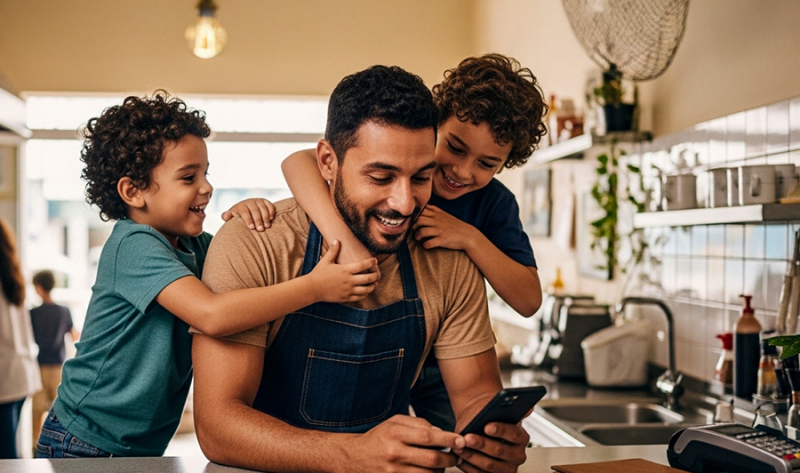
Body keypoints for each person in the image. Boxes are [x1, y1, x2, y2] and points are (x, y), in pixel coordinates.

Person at [193, 65, 529, 473]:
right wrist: (351, 455)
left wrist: (490, 442)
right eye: (381, 176)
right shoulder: (256, 243)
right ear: (328, 162)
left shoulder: (451, 261)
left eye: (421, 177)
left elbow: (477, 395)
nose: (405, 203)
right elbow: (217, 426)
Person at [35, 92, 379, 459]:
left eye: (205, 173)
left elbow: (248, 275)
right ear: (133, 191)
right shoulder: (131, 245)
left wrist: (245, 221)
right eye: (188, 177)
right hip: (81, 439)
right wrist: (315, 287)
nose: (207, 187)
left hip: (137, 446)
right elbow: (212, 314)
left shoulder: (194, 245)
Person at [0, 217, 41, 459]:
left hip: (5, 378)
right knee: (8, 451)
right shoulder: (13, 277)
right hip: (20, 375)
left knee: (5, 455)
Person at [29, 270, 80, 450]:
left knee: (36, 412)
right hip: (60, 366)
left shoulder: (33, 313)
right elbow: (75, 336)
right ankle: (60, 447)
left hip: (40, 366)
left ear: (39, 288)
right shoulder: (64, 311)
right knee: (61, 412)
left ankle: (36, 448)